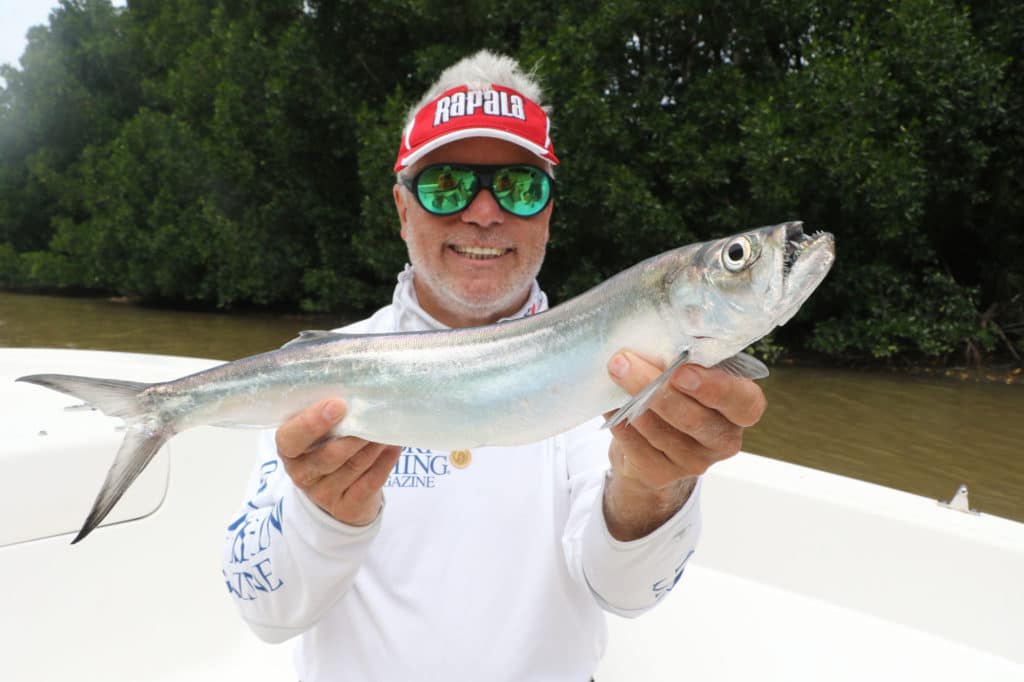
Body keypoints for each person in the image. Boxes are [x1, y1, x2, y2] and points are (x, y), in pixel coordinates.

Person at [221, 50, 766, 681]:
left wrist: (653, 488)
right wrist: (324, 515)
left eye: (520, 186)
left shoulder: (619, 364)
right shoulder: (322, 370)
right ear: (402, 210)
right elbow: (264, 610)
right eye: (446, 184)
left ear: (548, 215)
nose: (483, 212)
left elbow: (625, 591)